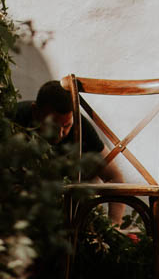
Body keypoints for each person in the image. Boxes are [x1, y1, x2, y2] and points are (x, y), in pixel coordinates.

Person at [14, 80, 128, 226]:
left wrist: (114, 225)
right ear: (35, 111)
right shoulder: (16, 119)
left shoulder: (81, 127)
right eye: (53, 126)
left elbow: (114, 178)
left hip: (68, 214)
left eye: (66, 126)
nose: (61, 134)